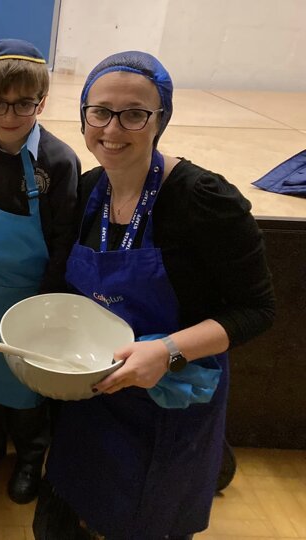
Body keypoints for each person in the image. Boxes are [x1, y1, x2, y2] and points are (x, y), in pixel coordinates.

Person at [34, 51, 276, 539]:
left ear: (160, 119)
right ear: (83, 116)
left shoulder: (204, 201)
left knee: (149, 518)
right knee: (71, 508)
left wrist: (167, 352)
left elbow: (257, 309)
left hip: (172, 394)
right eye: (100, 112)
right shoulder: (89, 191)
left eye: (134, 114)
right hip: (98, 388)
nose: (112, 128)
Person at [0, 39, 80, 505]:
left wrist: (47, 300)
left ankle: (30, 456)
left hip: (32, 297)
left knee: (28, 388)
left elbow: (64, 238)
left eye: (23, 104)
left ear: (41, 103)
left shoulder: (59, 161)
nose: (9, 115)